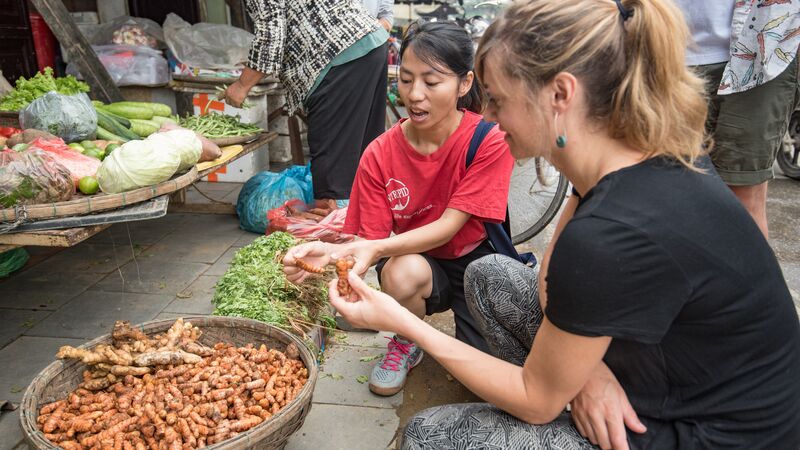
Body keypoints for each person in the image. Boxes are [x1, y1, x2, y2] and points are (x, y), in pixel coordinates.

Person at [326, 0, 800, 449]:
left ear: (560, 94)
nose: (487, 116)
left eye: (496, 99)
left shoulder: (612, 233)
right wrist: (590, 374)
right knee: (491, 276)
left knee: (431, 435)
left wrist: (400, 320)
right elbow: (553, 284)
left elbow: (537, 400)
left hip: (708, 434)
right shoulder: (633, 158)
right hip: (669, 375)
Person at [283, 21, 515, 397]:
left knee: (486, 387)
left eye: (431, 81)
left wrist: (372, 249)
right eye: (406, 80)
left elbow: (450, 225)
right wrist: (329, 256)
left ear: (465, 84)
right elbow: (367, 240)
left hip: (479, 265)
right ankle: (406, 342)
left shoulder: (488, 139)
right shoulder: (379, 153)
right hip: (419, 261)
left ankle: (435, 327)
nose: (415, 94)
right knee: (399, 272)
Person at [219, 0, 389, 203]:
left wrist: (242, 85)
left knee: (332, 158)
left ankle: (334, 225)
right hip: (369, 41)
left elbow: (270, 36)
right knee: (362, 149)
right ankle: (366, 218)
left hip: (337, 55)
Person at [674, 1, 800, 238]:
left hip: (764, 51)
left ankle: (745, 275)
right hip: (657, 41)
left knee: (743, 197)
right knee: (658, 191)